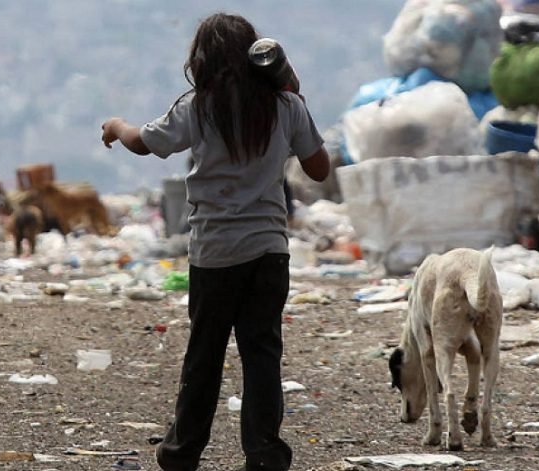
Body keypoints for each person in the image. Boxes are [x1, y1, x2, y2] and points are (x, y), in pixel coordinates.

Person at [100, 12, 330, 471]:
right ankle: (264, 455)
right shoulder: (285, 106)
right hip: (268, 250)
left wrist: (117, 125)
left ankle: (182, 452)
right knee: (262, 354)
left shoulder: (198, 106)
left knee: (204, 356)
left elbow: (144, 142)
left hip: (215, 252)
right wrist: (295, 98)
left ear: (201, 60)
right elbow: (319, 169)